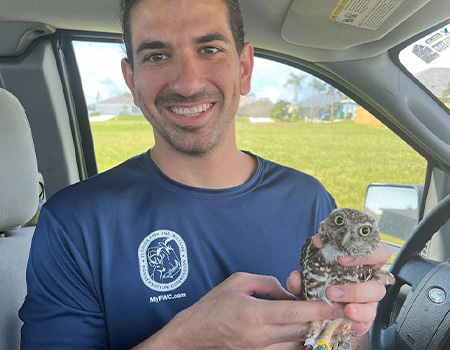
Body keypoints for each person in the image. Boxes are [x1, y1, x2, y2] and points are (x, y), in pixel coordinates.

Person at [19, 0, 391, 349]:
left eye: (209, 49)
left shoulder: (310, 200)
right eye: (157, 55)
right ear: (131, 81)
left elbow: (343, 341)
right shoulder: (75, 223)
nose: (188, 83)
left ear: (244, 68)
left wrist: (348, 324)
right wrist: (185, 341)